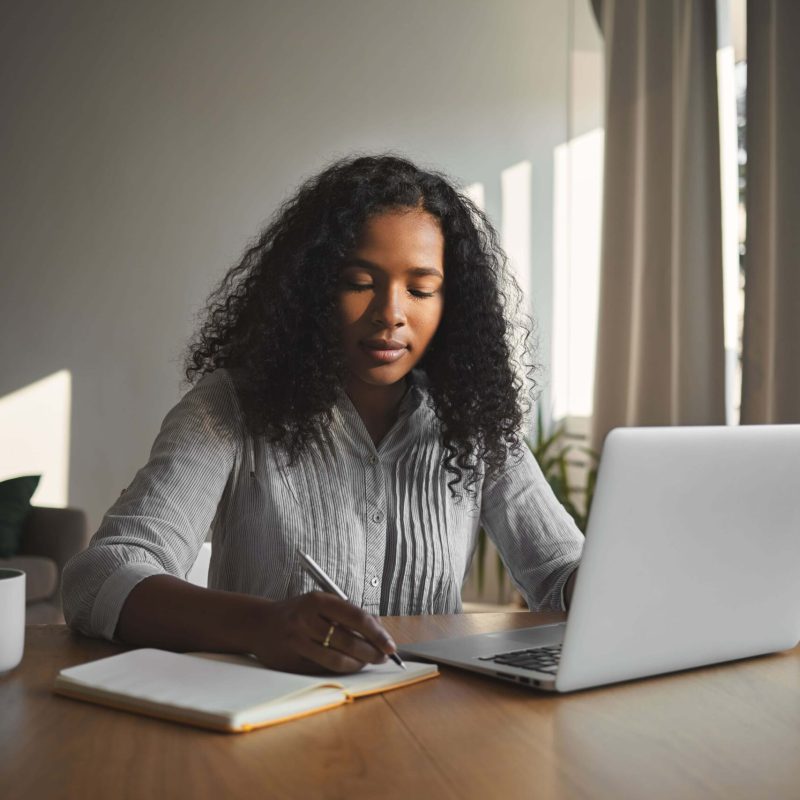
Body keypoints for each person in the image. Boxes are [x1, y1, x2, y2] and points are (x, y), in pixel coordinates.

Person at [61, 154, 583, 674]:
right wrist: (261, 625)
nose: (390, 313)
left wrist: (603, 584)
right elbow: (100, 575)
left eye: (421, 290)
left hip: (427, 722)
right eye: (359, 282)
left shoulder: (472, 422)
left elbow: (561, 570)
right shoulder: (232, 407)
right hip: (268, 720)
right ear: (311, 289)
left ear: (453, 303)